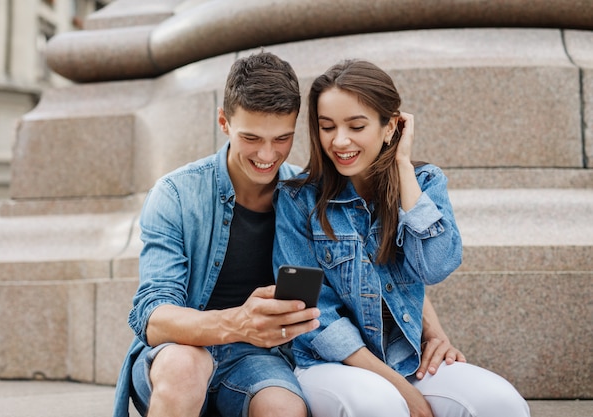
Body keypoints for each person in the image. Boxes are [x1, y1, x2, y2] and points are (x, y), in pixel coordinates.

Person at [113, 51, 473, 417]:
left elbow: (380, 262)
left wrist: (433, 331)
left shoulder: (307, 196)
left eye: (282, 138)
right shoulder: (177, 193)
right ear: (224, 122)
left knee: (284, 408)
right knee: (185, 368)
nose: (267, 155)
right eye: (251, 137)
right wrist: (237, 322)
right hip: (181, 348)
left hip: (258, 356)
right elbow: (152, 316)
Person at [273, 59, 531, 417]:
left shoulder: (424, 183)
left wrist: (403, 167)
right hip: (326, 364)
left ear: (390, 125)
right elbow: (312, 316)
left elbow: (435, 267)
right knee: (380, 406)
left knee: (500, 404)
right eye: (327, 127)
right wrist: (399, 388)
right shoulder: (297, 200)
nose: (340, 140)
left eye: (356, 125)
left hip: (405, 356)